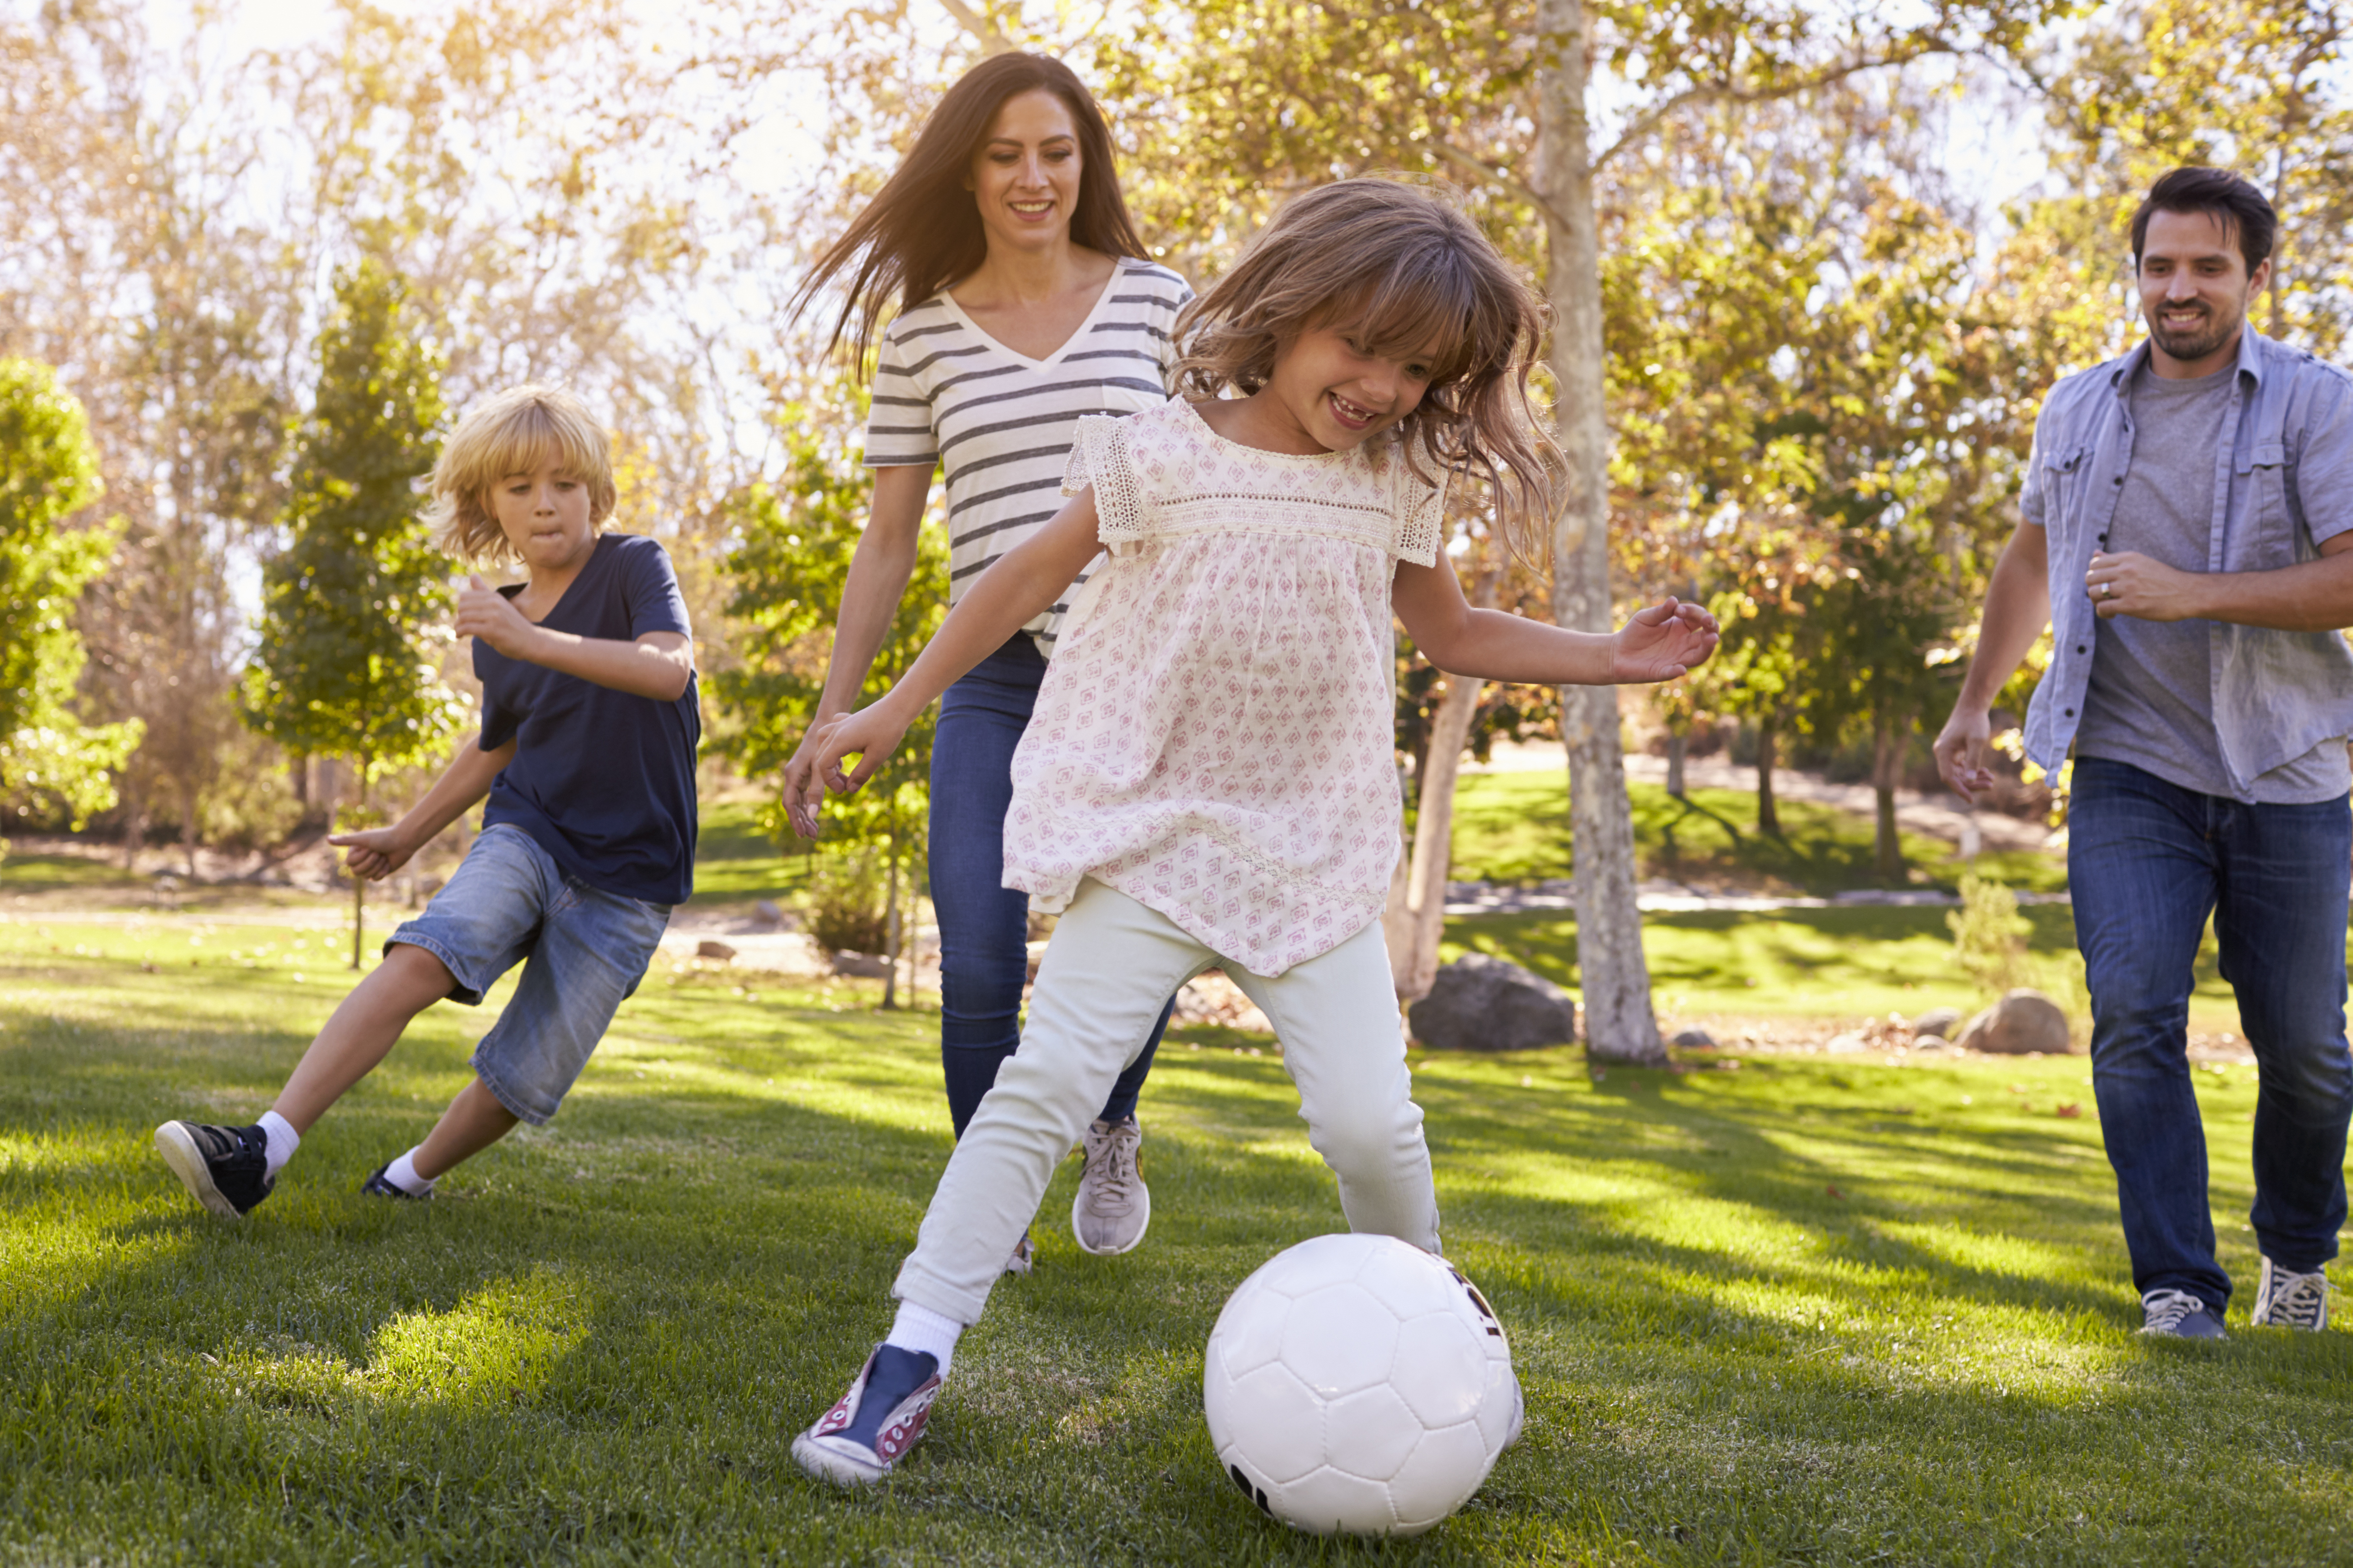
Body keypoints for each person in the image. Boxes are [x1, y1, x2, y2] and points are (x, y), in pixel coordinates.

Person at [787, 179, 1722, 1485]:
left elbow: (1450, 634)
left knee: (1369, 1127)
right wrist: (890, 707)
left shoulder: (1392, 482)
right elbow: (1019, 579)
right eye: (1360, 346)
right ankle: (908, 1355)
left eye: (1417, 368)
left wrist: (1608, 658)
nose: (1383, 385)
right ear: (1285, 311)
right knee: (1044, 1083)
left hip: (1311, 845)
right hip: (1157, 830)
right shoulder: (1150, 448)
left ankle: (1445, 1346)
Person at [782, 53, 1193, 1270]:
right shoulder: (919, 343)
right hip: (993, 677)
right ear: (968, 171)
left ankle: (1111, 1123)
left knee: (1136, 935)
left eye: (1056, 153)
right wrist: (837, 707)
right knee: (976, 945)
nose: (1033, 178)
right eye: (1007, 155)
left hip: (1136, 672)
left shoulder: (1162, 304)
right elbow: (891, 542)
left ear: (1086, 165)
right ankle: (992, 1205)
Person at [1933, 166, 2353, 1338]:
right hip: (2126, 768)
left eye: (2208, 267)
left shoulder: (2318, 405)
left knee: (2307, 1051)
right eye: (2160, 266)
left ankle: (2297, 1250)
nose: (2179, 289)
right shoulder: (2075, 407)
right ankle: (2177, 1285)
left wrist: (2189, 595)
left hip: (2289, 771)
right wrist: (1976, 703)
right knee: (2130, 1013)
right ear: (2138, 273)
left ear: (2257, 278)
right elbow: (2029, 561)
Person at [153, 386, 698, 1216]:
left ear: (595, 489)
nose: (544, 504)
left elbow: (668, 670)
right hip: (532, 832)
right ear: (489, 505)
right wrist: (409, 833)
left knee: (525, 1071)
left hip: (633, 877)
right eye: (519, 488)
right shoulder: (504, 621)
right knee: (429, 949)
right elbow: (501, 746)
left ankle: (409, 1175)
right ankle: (262, 1150)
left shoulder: (632, 567)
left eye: (563, 482)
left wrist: (528, 639)